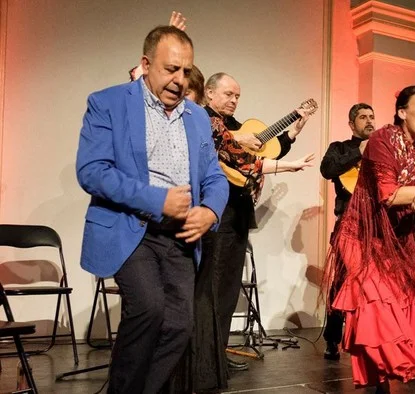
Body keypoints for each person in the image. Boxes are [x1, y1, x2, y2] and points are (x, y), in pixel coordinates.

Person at [76, 25, 228, 394]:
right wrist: (156, 199)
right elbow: (92, 171)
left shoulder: (195, 117)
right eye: (171, 69)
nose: (180, 79)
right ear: (146, 64)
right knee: (148, 309)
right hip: (132, 226)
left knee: (179, 325)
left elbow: (215, 176)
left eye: (186, 71)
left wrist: (210, 210)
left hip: (179, 235)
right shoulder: (108, 102)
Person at [324, 85, 415, 392]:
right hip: (362, 233)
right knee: (374, 296)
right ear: (402, 112)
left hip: (399, 238)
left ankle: (392, 373)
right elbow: (389, 194)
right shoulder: (381, 139)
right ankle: (383, 375)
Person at [181, 72, 313, 392]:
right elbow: (242, 156)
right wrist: (283, 161)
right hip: (218, 217)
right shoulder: (204, 122)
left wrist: (295, 129)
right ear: (208, 93)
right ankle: (204, 360)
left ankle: (217, 354)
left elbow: (261, 153)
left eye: (237, 96)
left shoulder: (235, 127)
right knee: (212, 292)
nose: (233, 100)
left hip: (237, 216)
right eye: (228, 94)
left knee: (226, 294)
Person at [319, 103, 375, 360]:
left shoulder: (381, 150)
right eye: (363, 117)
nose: (369, 121)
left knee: (376, 284)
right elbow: (327, 169)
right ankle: (332, 339)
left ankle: (371, 339)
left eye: (372, 116)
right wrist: (358, 153)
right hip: (349, 225)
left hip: (376, 226)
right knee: (342, 283)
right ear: (352, 124)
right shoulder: (339, 148)